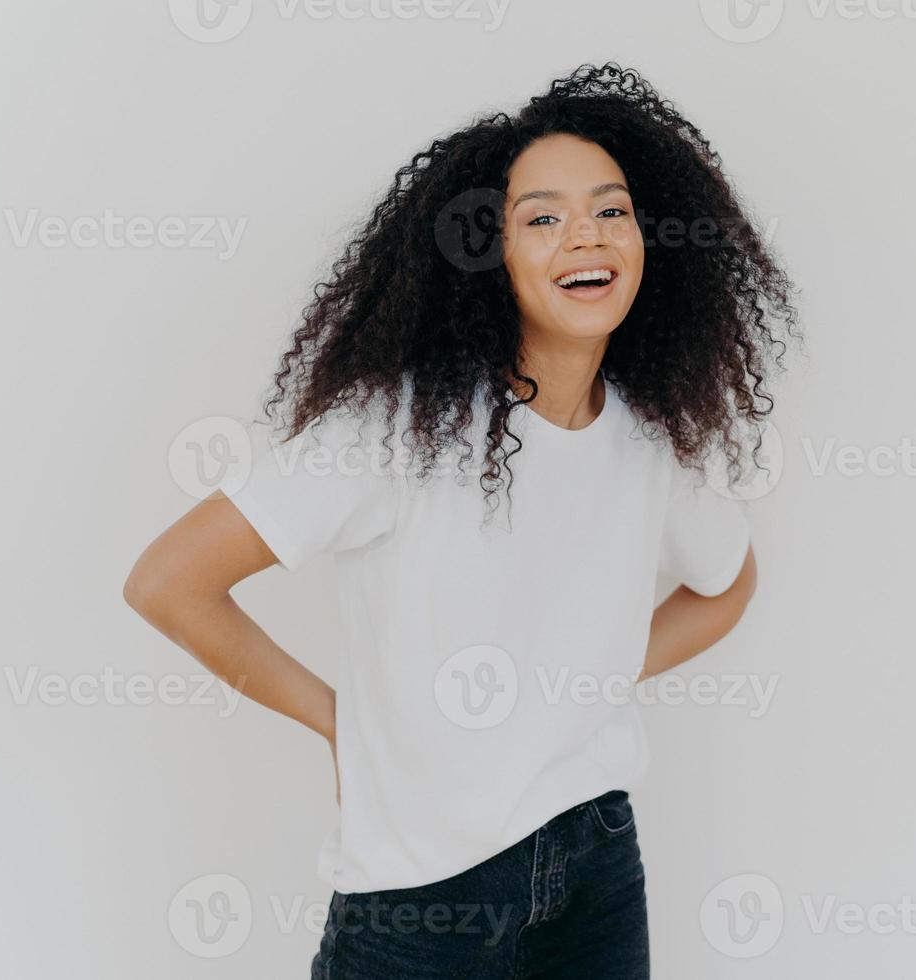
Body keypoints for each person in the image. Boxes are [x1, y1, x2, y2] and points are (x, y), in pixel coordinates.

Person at [123, 61, 797, 979]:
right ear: (490, 253)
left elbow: (728, 584)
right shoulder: (394, 429)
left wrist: (589, 672)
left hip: (596, 865)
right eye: (543, 218)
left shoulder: (651, 443)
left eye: (611, 210)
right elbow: (169, 583)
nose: (585, 238)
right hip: (421, 903)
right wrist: (337, 723)